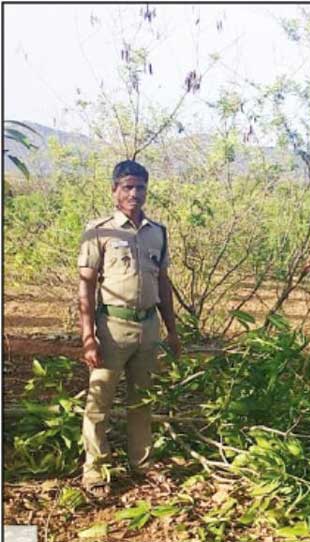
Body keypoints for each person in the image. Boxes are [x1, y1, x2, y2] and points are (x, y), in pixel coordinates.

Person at [77, 160, 180, 495]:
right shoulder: (100, 230)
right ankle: (95, 470)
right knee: (99, 401)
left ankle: (142, 463)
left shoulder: (157, 232)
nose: (135, 194)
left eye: (140, 188)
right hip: (112, 328)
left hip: (147, 328)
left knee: (141, 401)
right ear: (115, 190)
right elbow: (86, 287)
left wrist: (172, 331)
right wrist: (89, 337)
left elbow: (163, 284)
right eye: (128, 187)